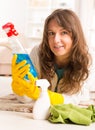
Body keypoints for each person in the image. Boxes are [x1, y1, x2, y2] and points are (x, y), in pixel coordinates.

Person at [12, 9, 91, 105]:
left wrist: (39, 94)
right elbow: (27, 99)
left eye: (64, 32)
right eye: (51, 33)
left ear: (75, 35)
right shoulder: (37, 53)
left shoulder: (87, 59)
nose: (56, 40)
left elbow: (73, 100)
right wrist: (20, 88)